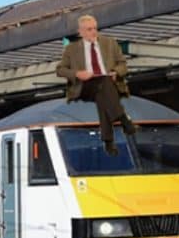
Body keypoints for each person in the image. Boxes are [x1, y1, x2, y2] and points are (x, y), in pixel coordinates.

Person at [56, 14, 135, 156]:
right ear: (80, 32)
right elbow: (60, 70)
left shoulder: (110, 43)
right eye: (89, 29)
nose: (93, 32)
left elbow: (123, 64)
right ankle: (122, 118)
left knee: (103, 94)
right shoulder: (71, 49)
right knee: (104, 85)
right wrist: (77, 73)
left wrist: (116, 72)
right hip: (84, 86)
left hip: (106, 82)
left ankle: (108, 141)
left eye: (95, 28)